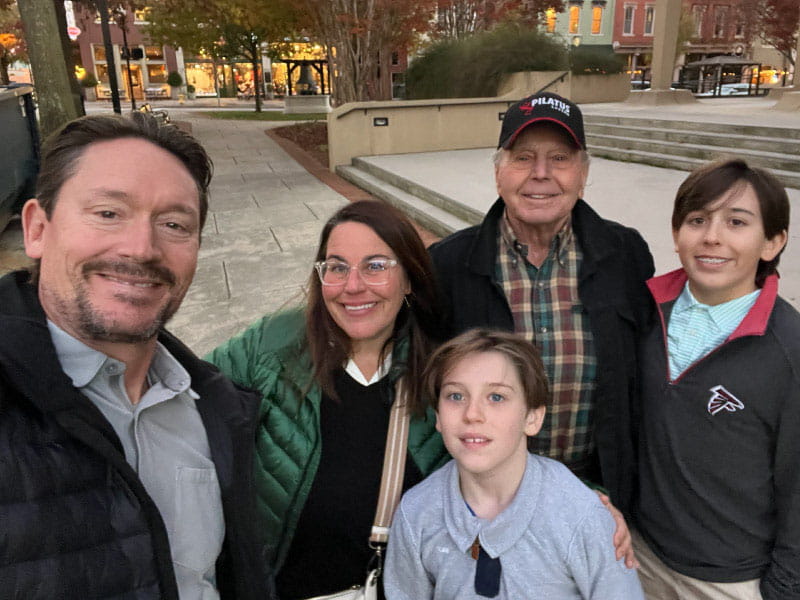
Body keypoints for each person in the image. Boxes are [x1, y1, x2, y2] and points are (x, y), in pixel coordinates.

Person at [0, 113, 273, 599]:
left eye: (173, 224)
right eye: (109, 213)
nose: (142, 248)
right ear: (37, 229)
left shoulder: (213, 407)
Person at [429, 91, 654, 563]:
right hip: (482, 503)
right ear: (498, 171)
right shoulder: (447, 266)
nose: (541, 174)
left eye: (559, 158)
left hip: (600, 499)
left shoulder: (626, 255)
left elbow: (641, 387)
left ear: (584, 173)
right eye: (523, 157)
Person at [207, 200, 450, 599]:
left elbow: (499, 462)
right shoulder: (271, 346)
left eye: (375, 265)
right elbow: (181, 400)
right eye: (336, 267)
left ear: (409, 279)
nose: (353, 286)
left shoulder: (441, 372)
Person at [632, 159, 798, 599]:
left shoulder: (789, 350)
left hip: (731, 578)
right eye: (697, 220)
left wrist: (784, 586)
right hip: (641, 553)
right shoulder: (643, 314)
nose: (712, 236)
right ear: (675, 234)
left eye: (737, 222)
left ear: (772, 242)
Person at [384, 328, 645, 599]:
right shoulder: (416, 513)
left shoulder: (580, 515)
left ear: (532, 417)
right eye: (456, 396)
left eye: (496, 397)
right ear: (437, 415)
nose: (472, 414)